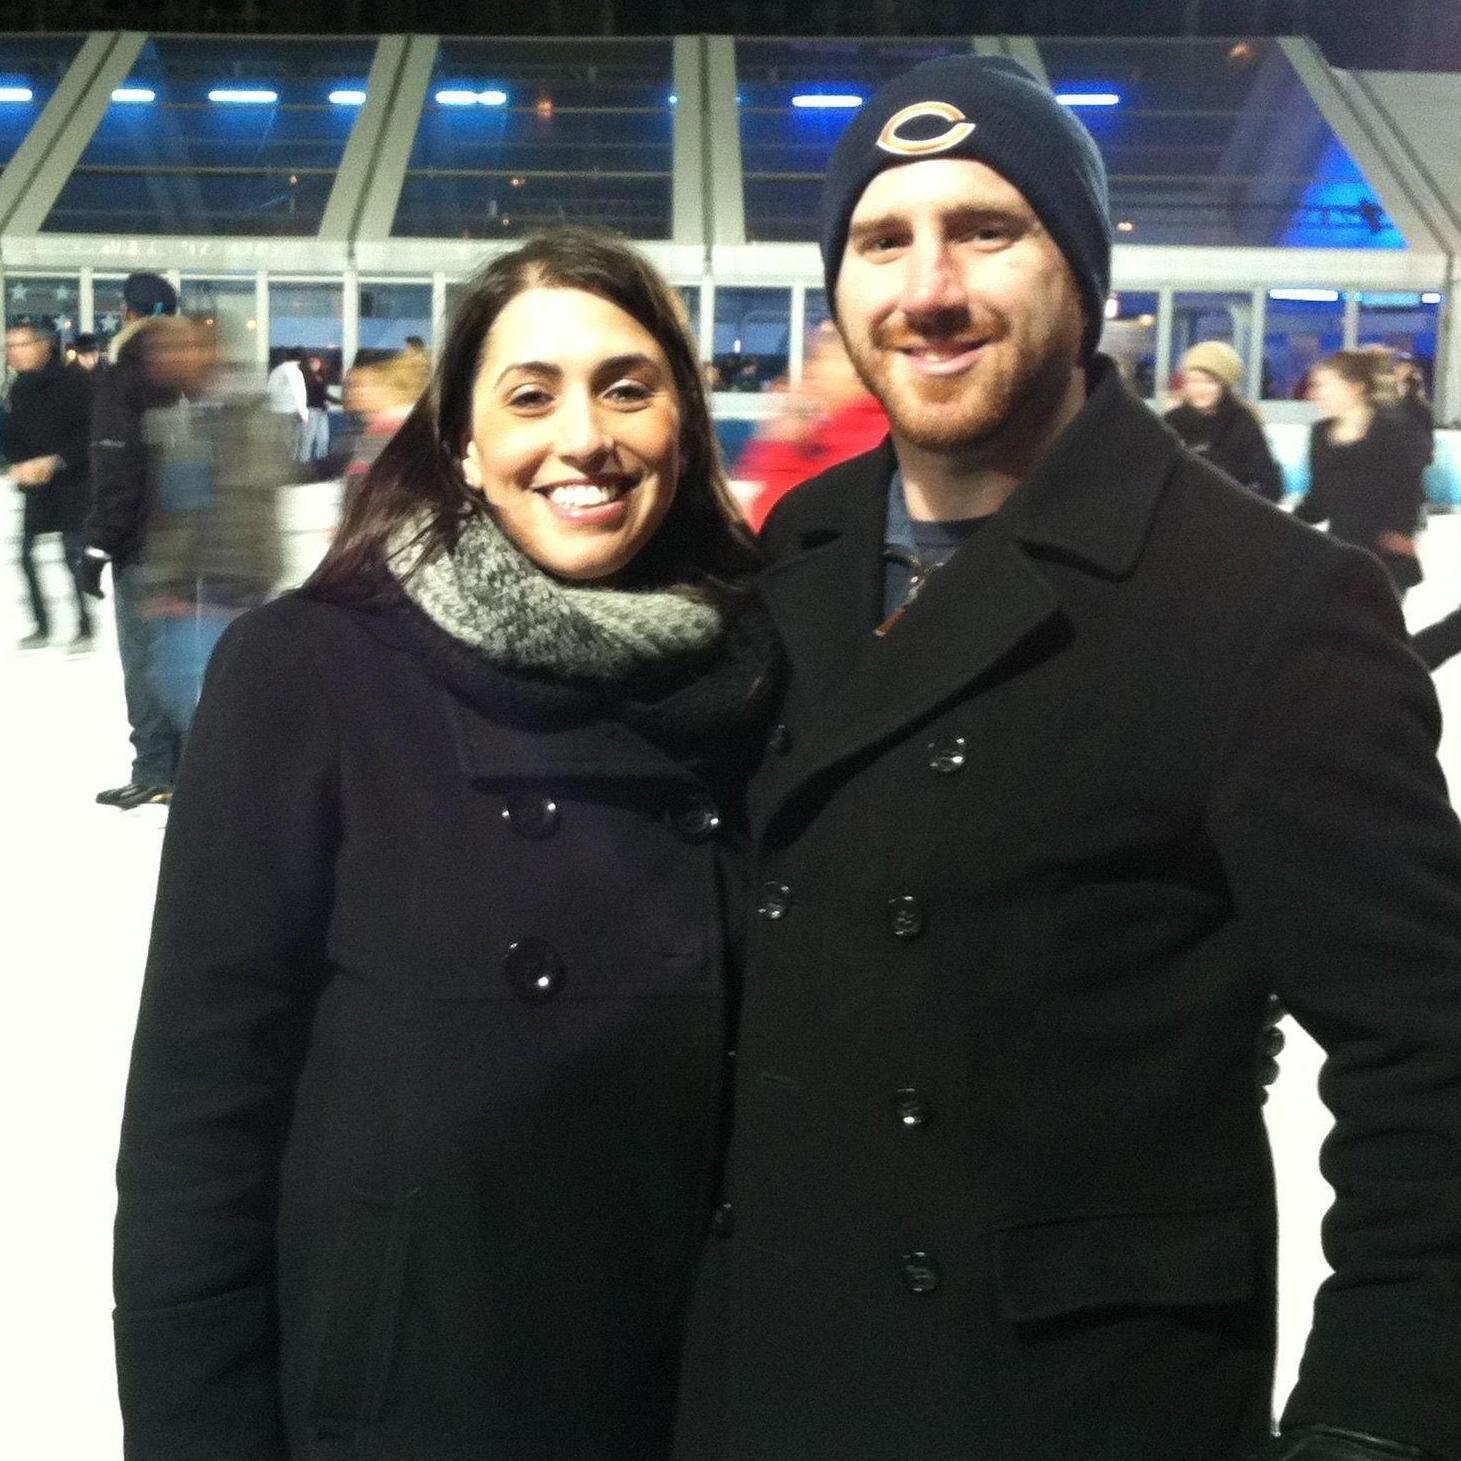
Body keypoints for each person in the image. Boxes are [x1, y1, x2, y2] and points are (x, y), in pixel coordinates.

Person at [672, 55, 1461, 1461]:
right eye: (881, 239)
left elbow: (1430, 1059)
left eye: (987, 229)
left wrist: (1373, 1424)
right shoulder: (801, 545)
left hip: (1065, 1401)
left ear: (1083, 275)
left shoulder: (1265, 601)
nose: (928, 289)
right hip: (773, 1369)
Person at [112, 227, 776, 1461]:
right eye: (531, 395)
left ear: (683, 423)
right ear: (463, 440)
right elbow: (199, 1116)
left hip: (702, 1394)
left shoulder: (755, 671)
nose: (585, 436)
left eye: (627, 387)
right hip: (424, 1394)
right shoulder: (310, 671)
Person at [133, 315, 289, 743]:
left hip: (226, 594)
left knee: (219, 718)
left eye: (176, 348)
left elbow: (249, 507)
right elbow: (177, 512)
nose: (162, 358)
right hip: (198, 595)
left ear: (207, 352)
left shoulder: (242, 414)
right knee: (185, 697)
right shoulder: (180, 416)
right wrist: (168, 585)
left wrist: (236, 590)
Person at [77, 271, 183, 810]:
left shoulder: (125, 376)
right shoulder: (189, 370)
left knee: (144, 662)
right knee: (181, 660)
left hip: (143, 542)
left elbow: (118, 467)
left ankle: (157, 771)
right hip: (191, 539)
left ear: (128, 314)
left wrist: (99, 544)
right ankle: (185, 768)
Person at [735, 319, 889, 531]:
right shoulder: (835, 435)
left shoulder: (860, 444)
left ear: (859, 370)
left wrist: (781, 445)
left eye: (823, 358)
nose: (811, 370)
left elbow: (778, 522)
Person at [1297, 349, 1429, 596]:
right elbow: (1318, 501)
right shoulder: (1320, 434)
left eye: (1323, 385)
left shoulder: (1392, 429)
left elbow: (1409, 489)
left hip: (1386, 556)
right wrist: (1280, 522)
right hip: (1343, 552)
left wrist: (1401, 533)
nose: (1314, 394)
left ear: (1355, 387)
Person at [3, 315, 94, 650]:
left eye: (21, 344)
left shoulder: (76, 382)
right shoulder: (18, 387)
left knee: (72, 556)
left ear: (44, 345)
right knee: (25, 556)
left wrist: (55, 461)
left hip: (74, 485)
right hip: (37, 488)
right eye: (9, 346)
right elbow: (13, 437)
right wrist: (16, 465)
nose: (13, 352)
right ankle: (41, 626)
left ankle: (85, 626)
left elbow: (90, 436)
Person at [1163, 339, 1285, 503]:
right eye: (1192, 381)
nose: (1200, 389)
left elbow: (1269, 484)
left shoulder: (1242, 422)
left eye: (1209, 381)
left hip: (1230, 512)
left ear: (1224, 384)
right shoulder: (1172, 421)